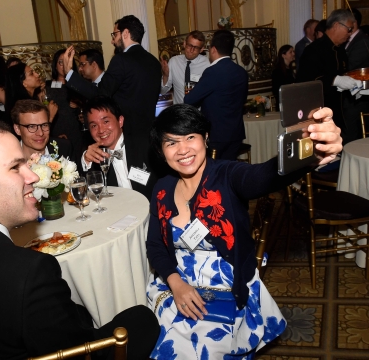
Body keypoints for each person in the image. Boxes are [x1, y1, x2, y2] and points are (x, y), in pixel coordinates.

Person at [0, 121, 160, 359]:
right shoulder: (29, 272)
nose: (34, 177)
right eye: (15, 167)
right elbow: (76, 352)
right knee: (142, 318)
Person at [146, 104, 343, 359]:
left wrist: (311, 152)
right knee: (151, 340)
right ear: (162, 151)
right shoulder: (162, 188)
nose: (183, 150)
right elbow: (155, 246)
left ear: (206, 138)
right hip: (176, 283)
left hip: (226, 286)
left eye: (190, 137)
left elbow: (265, 175)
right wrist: (176, 283)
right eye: (171, 142)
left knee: (199, 348)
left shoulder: (228, 175)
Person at [62, 15, 161, 144]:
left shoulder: (121, 60)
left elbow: (100, 95)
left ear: (125, 33)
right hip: (149, 133)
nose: (112, 41)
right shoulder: (154, 62)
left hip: (126, 135)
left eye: (114, 35)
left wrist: (69, 74)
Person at [298, 9, 361, 144]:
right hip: (319, 114)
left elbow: (345, 75)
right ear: (337, 25)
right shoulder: (314, 50)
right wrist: (335, 80)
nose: (350, 34)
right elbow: (306, 80)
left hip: (340, 113)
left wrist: (354, 88)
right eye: (349, 29)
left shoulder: (340, 50)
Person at [184, 30, 247, 160]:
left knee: (215, 173)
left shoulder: (212, 72)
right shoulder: (241, 72)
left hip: (217, 135)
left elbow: (189, 99)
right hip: (236, 133)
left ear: (213, 49)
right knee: (229, 170)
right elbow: (242, 100)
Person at [81, 96, 156, 199]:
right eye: (94, 126)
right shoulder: (93, 157)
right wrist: (87, 161)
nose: (101, 130)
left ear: (120, 121)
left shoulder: (145, 144)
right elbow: (85, 192)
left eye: (106, 122)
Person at [43, 49, 85, 172]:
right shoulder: (47, 87)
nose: (63, 65)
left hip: (76, 132)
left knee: (79, 167)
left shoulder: (78, 84)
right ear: (55, 65)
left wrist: (80, 106)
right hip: (57, 131)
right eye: (60, 62)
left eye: (66, 62)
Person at [160, 30, 210, 104]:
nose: (191, 50)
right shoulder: (174, 62)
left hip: (199, 112)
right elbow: (163, 92)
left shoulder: (207, 65)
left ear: (201, 49)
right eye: (189, 45)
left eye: (196, 48)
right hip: (179, 112)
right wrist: (165, 76)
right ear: (184, 44)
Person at [343, 8, 369, 142]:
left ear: (354, 22)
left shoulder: (362, 41)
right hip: (351, 97)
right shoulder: (349, 40)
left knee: (353, 136)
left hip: (358, 98)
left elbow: (350, 68)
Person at [271, 45, 296, 110]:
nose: (293, 54)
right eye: (290, 52)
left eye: (293, 51)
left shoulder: (290, 69)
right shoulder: (277, 71)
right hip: (284, 104)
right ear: (283, 55)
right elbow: (277, 89)